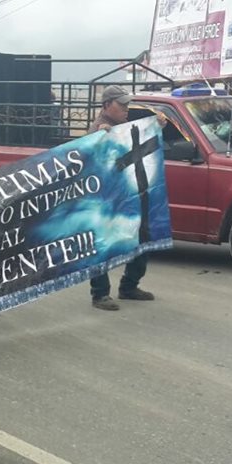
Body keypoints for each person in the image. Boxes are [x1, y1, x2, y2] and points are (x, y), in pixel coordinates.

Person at [88, 85, 155, 310]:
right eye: (121, 104)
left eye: (127, 103)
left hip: (128, 195)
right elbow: (96, 158)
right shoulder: (99, 129)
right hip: (106, 198)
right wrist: (101, 137)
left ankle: (129, 285)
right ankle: (99, 294)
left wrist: (157, 129)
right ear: (107, 105)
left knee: (142, 236)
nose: (126, 108)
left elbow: (137, 152)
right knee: (103, 242)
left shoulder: (123, 128)